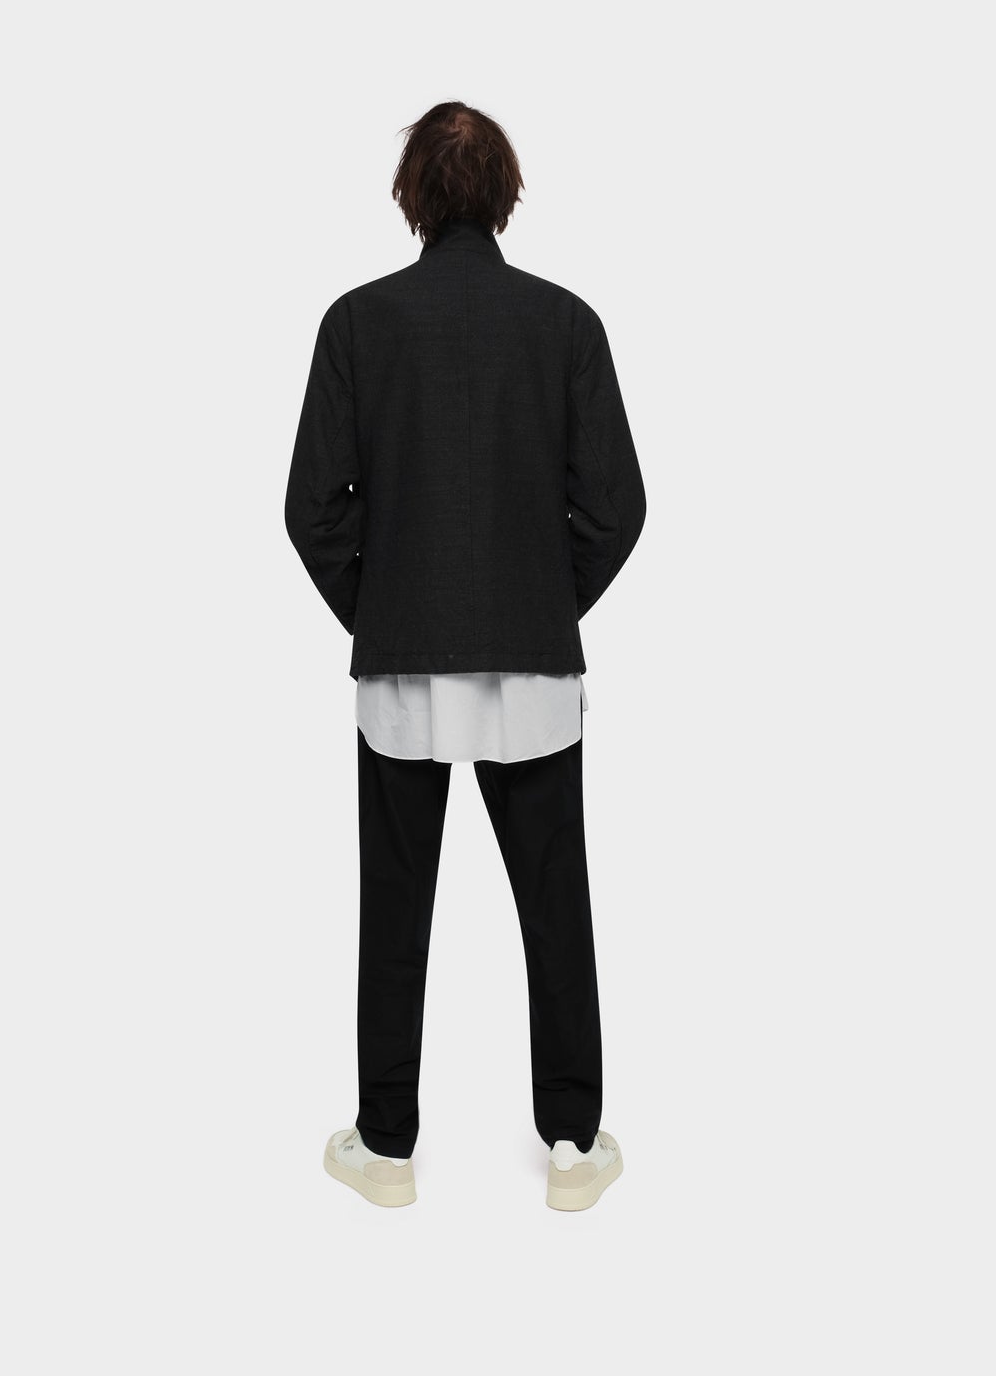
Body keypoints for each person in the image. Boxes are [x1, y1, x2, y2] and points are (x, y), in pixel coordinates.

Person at [283, 101, 647, 1211]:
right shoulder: (564, 324)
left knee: (393, 909)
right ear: (504, 192)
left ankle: (385, 1146)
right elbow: (617, 507)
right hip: (531, 670)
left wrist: (384, 607)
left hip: (399, 670)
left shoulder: (357, 324)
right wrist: (536, 601)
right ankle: (572, 1147)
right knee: (555, 906)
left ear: (411, 194)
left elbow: (311, 510)